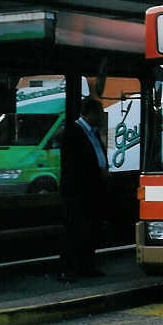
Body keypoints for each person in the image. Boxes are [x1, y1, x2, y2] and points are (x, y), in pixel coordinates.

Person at [59, 97, 109, 281]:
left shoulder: (92, 132)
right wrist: (98, 172)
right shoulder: (73, 132)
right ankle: (70, 269)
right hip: (77, 192)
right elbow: (74, 165)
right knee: (75, 230)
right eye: (99, 112)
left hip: (92, 191)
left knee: (90, 229)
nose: (102, 116)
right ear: (89, 113)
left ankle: (87, 266)